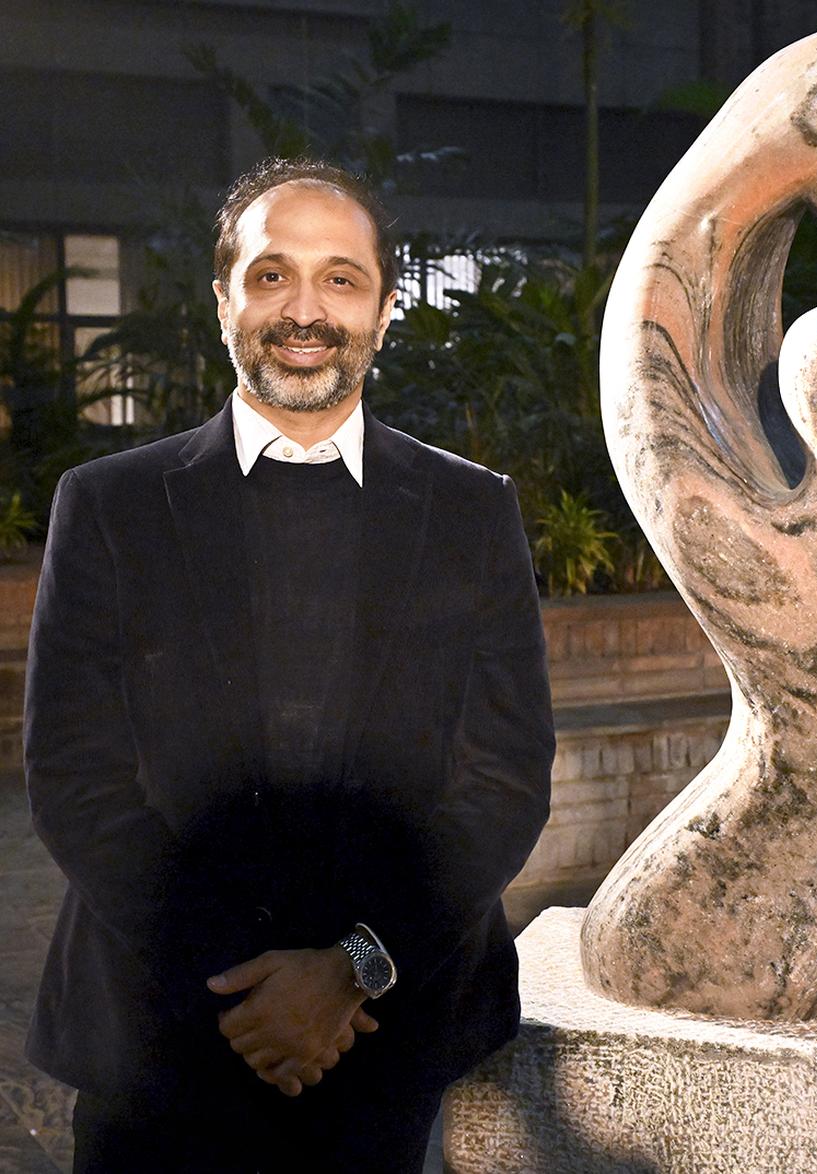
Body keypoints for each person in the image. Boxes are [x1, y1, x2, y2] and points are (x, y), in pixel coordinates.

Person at [23, 157, 556, 1172]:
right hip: (157, 1038)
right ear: (222, 297)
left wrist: (353, 970)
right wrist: (250, 993)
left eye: (340, 278)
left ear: (386, 310)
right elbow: (74, 776)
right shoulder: (109, 506)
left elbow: (503, 781)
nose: (304, 309)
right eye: (271, 275)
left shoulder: (471, 510)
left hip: (390, 1051)